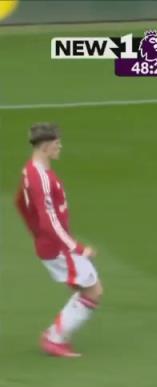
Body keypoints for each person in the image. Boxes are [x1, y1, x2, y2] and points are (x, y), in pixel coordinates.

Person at [15, 122, 102, 358]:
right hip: (58, 246)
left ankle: (55, 336)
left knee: (86, 287)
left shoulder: (29, 170)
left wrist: (37, 233)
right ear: (45, 146)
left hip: (53, 242)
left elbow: (20, 203)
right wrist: (78, 248)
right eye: (57, 143)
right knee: (93, 291)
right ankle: (54, 339)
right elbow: (49, 221)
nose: (60, 147)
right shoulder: (41, 178)